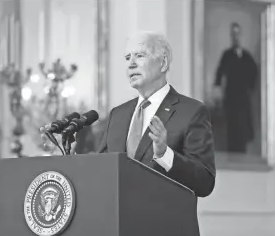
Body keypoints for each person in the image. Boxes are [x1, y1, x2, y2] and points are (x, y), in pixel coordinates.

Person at [97, 31, 216, 197]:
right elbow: (101, 171)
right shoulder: (118, 115)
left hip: (164, 221)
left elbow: (205, 182)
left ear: (163, 62)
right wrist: (74, 157)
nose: (131, 64)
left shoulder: (191, 112)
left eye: (139, 55)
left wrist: (164, 154)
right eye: (127, 58)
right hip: (119, 221)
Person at [214, 22, 258, 153]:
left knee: (243, 129)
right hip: (231, 98)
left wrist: (250, 87)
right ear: (231, 36)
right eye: (233, 34)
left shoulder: (247, 56)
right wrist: (217, 91)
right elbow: (218, 74)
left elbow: (254, 73)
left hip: (243, 99)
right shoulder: (226, 55)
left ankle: (241, 155)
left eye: (237, 34)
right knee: (232, 129)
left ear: (241, 36)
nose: (235, 37)